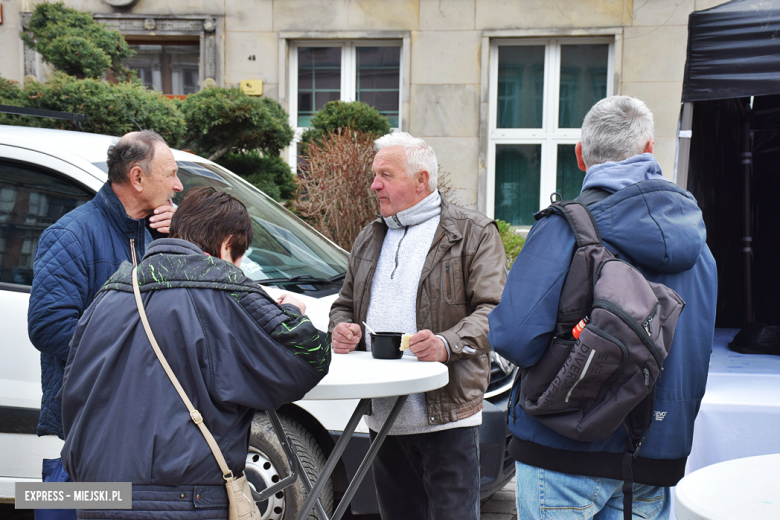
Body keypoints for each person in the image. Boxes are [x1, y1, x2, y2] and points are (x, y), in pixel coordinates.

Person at [488, 96, 717, 520]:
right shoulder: (699, 244)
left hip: (561, 452)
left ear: (579, 156)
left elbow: (512, 338)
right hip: (656, 456)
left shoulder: (565, 229)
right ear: (650, 151)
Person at [59, 187, 331, 519]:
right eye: (238, 259)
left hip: (94, 493)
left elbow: (73, 384)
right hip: (180, 498)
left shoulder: (112, 290)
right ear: (227, 245)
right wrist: (293, 313)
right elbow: (308, 357)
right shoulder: (222, 287)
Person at [329, 132, 506, 520]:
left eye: (385, 175)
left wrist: (447, 343)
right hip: (383, 419)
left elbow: (495, 311)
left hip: (447, 416)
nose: (374, 184)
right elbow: (343, 305)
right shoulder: (369, 235)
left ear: (421, 179)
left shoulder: (472, 232)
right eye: (374, 175)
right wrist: (342, 328)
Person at [27, 130, 181, 520]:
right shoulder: (71, 234)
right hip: (90, 422)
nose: (179, 185)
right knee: (78, 509)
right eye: (172, 174)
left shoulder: (164, 232)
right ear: (138, 177)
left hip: (148, 419)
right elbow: (48, 326)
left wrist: (184, 237)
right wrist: (131, 357)